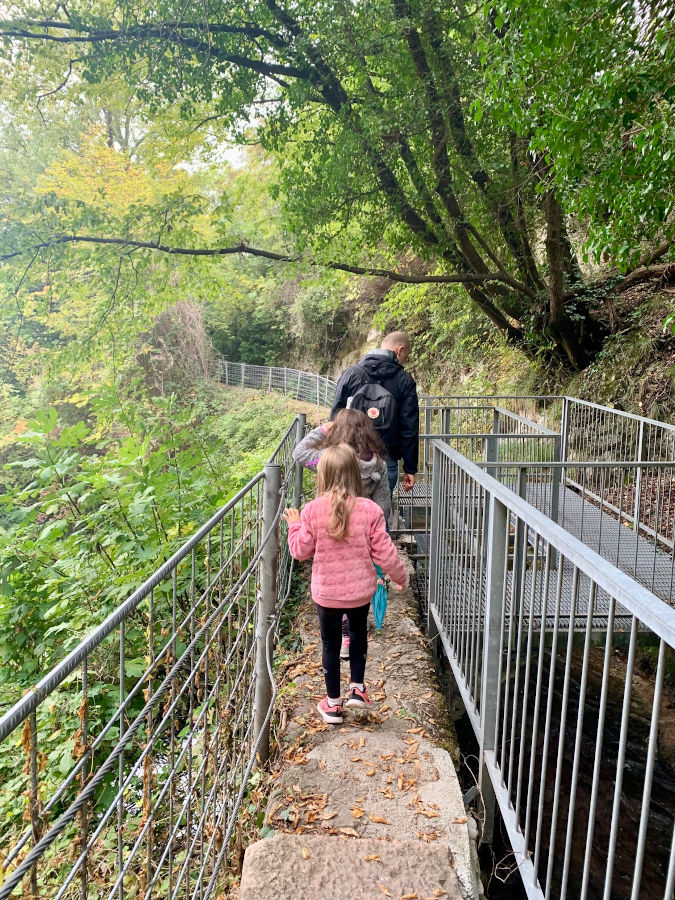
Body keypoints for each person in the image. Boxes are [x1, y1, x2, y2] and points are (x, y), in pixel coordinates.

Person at [283, 444, 407, 724]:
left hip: (326, 593)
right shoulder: (370, 510)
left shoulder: (312, 510)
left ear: (322, 476)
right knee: (358, 635)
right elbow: (385, 553)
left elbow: (300, 551)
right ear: (355, 473)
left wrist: (294, 525)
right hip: (360, 592)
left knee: (330, 644)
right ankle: (358, 690)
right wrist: (401, 577)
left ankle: (332, 705)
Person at [293, 408, 391, 660]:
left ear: (338, 431)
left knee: (337, 579)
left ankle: (344, 636)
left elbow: (299, 452)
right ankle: (354, 632)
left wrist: (322, 430)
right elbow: (383, 504)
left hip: (332, 528)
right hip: (362, 533)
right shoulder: (378, 464)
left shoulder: (329, 459)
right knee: (356, 579)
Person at [331, 331, 419, 496]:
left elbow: (335, 416)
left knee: (349, 506)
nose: (404, 361)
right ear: (400, 350)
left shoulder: (351, 373)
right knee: (380, 509)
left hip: (350, 458)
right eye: (405, 357)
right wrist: (410, 468)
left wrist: (333, 453)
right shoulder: (404, 380)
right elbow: (409, 427)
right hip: (386, 459)